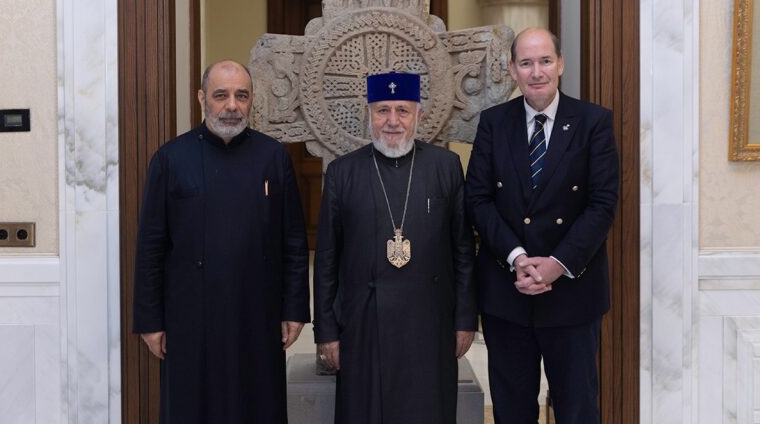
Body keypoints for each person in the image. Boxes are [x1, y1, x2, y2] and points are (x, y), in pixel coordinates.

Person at [132, 60, 310, 424]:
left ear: (252, 99)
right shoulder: (170, 159)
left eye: (241, 95)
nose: (232, 105)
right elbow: (151, 246)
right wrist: (150, 320)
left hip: (257, 314)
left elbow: (293, 241)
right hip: (189, 318)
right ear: (202, 99)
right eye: (221, 95)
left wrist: (294, 309)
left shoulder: (273, 157)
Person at [465, 28, 619, 424]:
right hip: (507, 291)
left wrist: (556, 264)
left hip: (572, 291)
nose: (537, 72)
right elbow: (478, 199)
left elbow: (602, 204)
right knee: (512, 410)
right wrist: (518, 258)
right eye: (526, 63)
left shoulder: (593, 122)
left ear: (560, 64)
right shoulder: (494, 123)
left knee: (577, 409)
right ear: (512, 69)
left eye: (545, 61)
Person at [313, 71, 477, 424]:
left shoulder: (445, 167)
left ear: (419, 114)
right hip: (363, 325)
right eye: (382, 110)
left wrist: (465, 320)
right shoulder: (343, 173)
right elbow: (327, 259)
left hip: (429, 323)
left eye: (402, 110)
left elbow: (463, 251)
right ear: (368, 114)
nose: (392, 121)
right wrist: (326, 330)